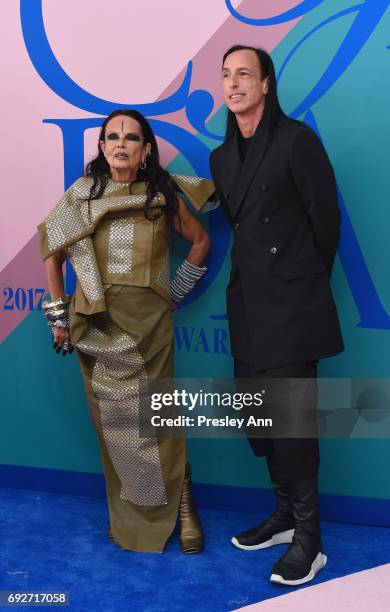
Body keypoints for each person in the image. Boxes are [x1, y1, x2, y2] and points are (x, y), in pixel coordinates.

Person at [38, 109, 215, 553]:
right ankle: (132, 514)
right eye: (112, 137)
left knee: (159, 420)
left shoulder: (161, 193)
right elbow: (52, 255)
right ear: (101, 147)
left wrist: (175, 291)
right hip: (96, 324)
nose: (120, 144)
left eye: (131, 137)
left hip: (150, 326)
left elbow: (200, 242)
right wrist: (58, 317)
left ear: (146, 149)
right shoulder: (80, 196)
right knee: (115, 425)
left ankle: (185, 506)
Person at [209, 46, 344, 585]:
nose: (233, 82)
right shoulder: (222, 158)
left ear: (266, 84)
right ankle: (286, 514)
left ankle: (310, 540)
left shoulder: (296, 141)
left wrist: (298, 282)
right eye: (225, 75)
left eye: (244, 73)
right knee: (259, 423)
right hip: (245, 305)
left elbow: (326, 223)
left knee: (291, 423)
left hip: (291, 305)